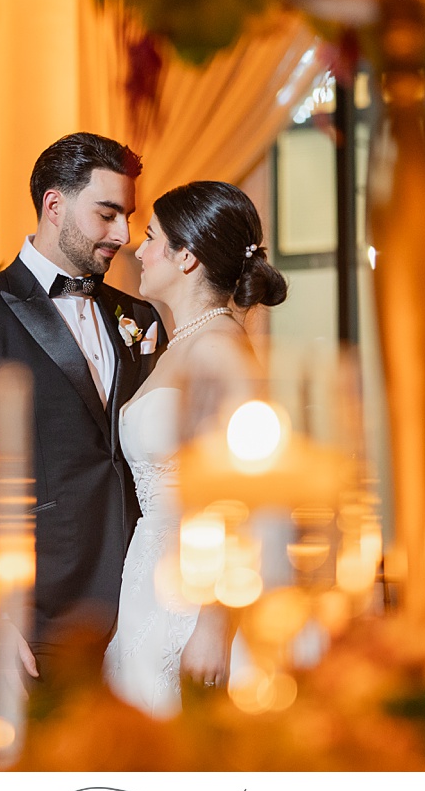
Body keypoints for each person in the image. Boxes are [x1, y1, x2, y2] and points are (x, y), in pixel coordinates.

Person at [0, 132, 164, 714]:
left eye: (127, 217)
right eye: (106, 214)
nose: (122, 236)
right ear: (54, 206)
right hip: (35, 613)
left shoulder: (140, 316)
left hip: (140, 603)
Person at [103, 180, 288, 718]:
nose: (138, 249)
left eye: (152, 237)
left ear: (186, 257)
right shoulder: (180, 342)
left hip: (197, 590)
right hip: (151, 571)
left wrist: (213, 624)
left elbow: (243, 492)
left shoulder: (221, 349)